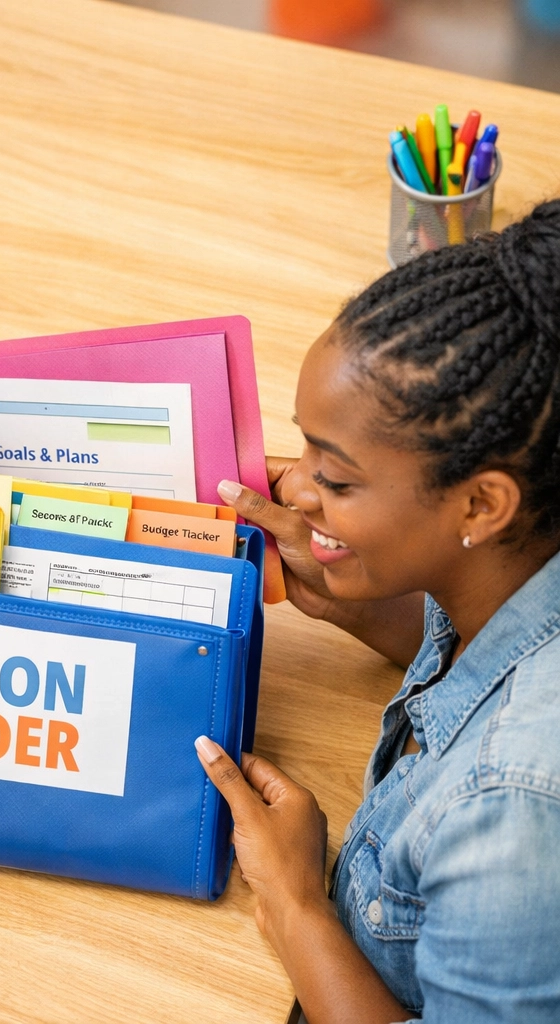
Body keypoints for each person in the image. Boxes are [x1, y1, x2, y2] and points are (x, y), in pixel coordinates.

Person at [197, 200, 560, 1022]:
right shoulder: (523, 548)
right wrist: (350, 600)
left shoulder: (517, 813)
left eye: (339, 479)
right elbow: (490, 654)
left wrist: (294, 906)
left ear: (481, 507)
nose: (297, 488)